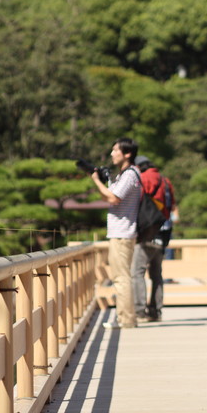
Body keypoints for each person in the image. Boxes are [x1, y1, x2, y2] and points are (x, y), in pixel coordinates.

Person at [60, 138, 141, 330]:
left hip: (122, 233)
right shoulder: (124, 175)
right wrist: (105, 180)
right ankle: (126, 318)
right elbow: (108, 195)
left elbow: (112, 198)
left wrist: (96, 180)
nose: (112, 154)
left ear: (127, 154)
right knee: (121, 276)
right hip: (121, 232)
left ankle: (126, 319)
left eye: (115, 150)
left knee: (121, 277)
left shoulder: (130, 174)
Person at [131, 156, 178, 323]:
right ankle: (156, 311)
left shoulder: (144, 178)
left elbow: (136, 202)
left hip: (148, 231)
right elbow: (172, 204)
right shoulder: (165, 180)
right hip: (164, 231)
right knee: (156, 274)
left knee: (137, 272)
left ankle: (139, 311)